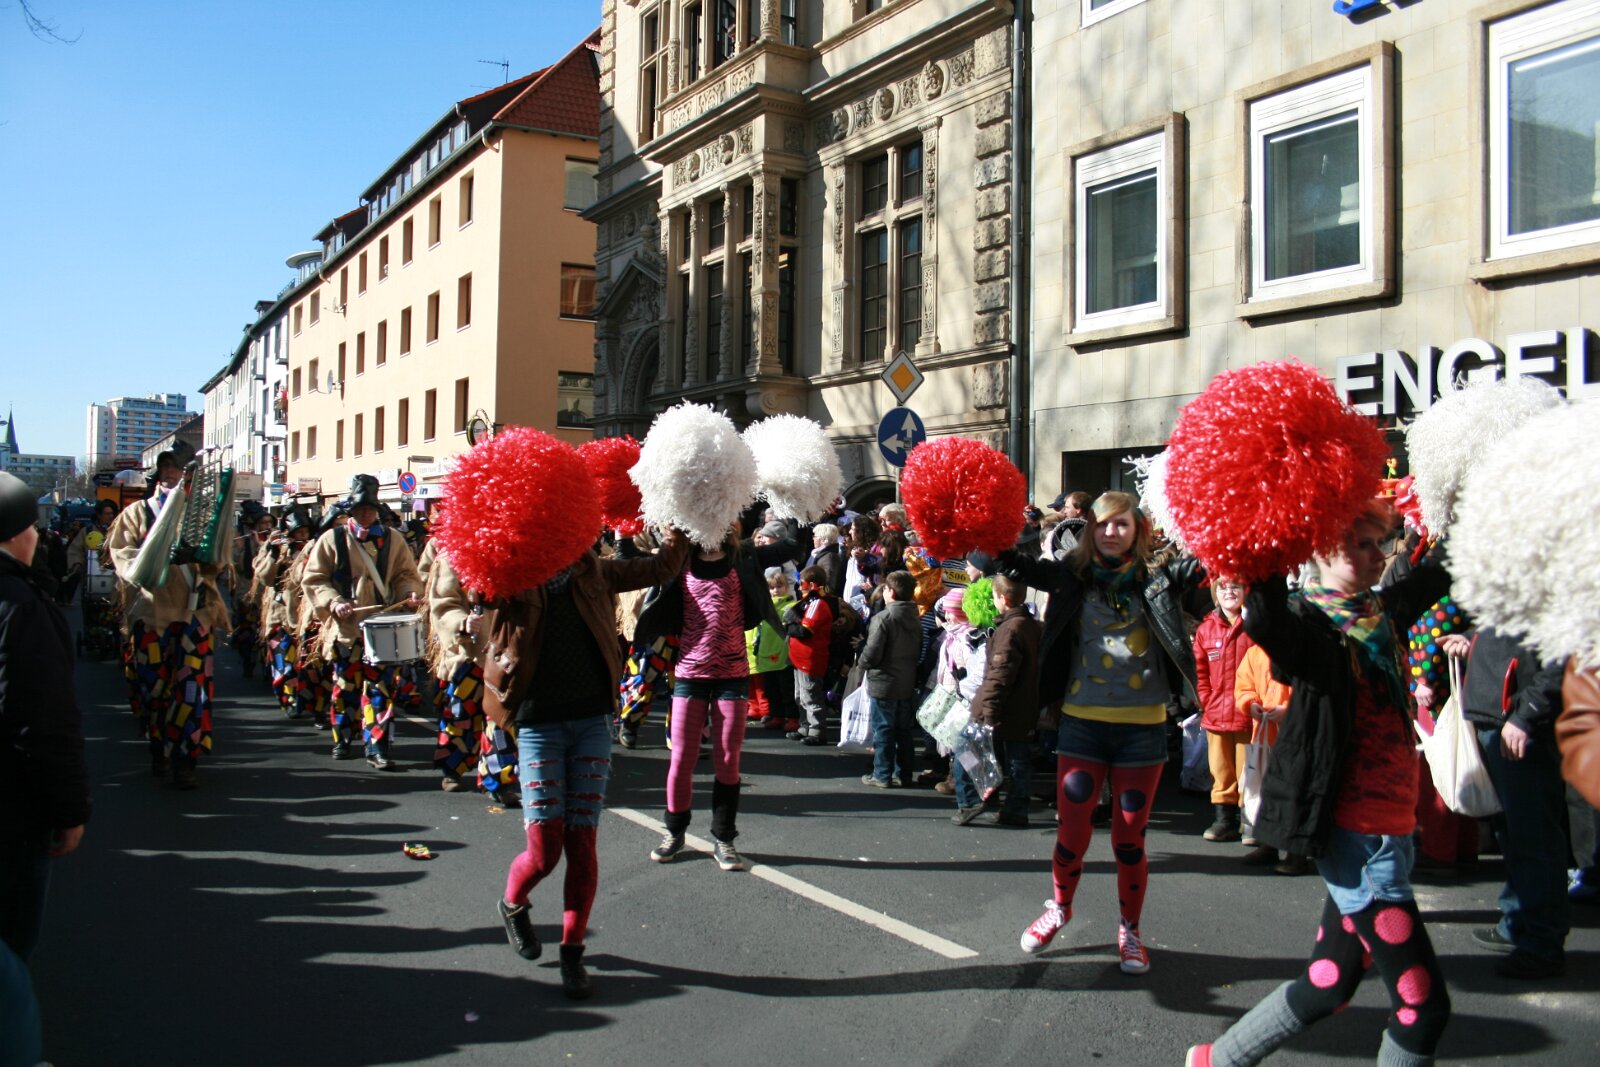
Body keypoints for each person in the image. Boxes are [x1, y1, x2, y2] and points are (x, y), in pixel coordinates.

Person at [1187, 500, 1451, 1067]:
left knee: (1329, 981)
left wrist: (1484, 502)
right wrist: (1267, 533)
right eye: (1361, 545)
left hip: (1392, 832)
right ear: (1322, 552)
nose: (1377, 556)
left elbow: (1442, 569)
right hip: (1361, 841)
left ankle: (1216, 1060)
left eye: (1380, 543)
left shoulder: (1382, 612)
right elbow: (1264, 617)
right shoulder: (1309, 628)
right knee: (1421, 1008)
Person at [1000, 491, 1205, 975]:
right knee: (1072, 830)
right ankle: (1059, 907)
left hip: (1142, 732)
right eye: (1103, 524)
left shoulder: (1160, 578)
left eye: (1122, 524)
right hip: (1083, 726)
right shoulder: (1069, 577)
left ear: (1138, 530)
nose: (1111, 532)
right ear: (1090, 530)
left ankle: (1130, 931)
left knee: (1129, 839)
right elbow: (1007, 562)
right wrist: (979, 527)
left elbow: (1216, 560)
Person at [488, 529, 689, 998]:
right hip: (538, 724)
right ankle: (513, 903)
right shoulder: (514, 577)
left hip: (592, 721)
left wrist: (679, 524)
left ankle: (572, 952)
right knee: (544, 851)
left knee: (582, 844)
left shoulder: (594, 571)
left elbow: (660, 567)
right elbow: (476, 589)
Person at [640, 525, 798, 870]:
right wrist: (626, 534)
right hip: (690, 673)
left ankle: (724, 838)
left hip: (733, 673)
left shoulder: (744, 555)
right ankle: (674, 832)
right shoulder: (679, 558)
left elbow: (789, 546)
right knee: (682, 757)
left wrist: (796, 507)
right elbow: (635, 563)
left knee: (728, 758)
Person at [0, 473, 90, 1067]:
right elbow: (40, 719)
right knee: (10, 952)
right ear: (17, 533)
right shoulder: (22, 606)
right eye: (32, 526)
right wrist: (69, 809)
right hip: (10, 810)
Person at [1444, 626, 1569, 979]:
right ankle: (1518, 922)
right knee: (1512, 834)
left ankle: (1542, 943)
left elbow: (1565, 656)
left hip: (1519, 722)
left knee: (1534, 837)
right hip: (1497, 717)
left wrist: (1527, 714)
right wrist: (1471, 637)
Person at [106, 452, 228, 790]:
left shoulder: (202, 515)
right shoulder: (137, 513)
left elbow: (219, 561)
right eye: (171, 468)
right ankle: (159, 746)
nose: (177, 475)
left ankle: (185, 759)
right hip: (153, 615)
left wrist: (204, 558)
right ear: (160, 473)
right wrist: (154, 558)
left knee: (192, 691)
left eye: (184, 471)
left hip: (194, 614)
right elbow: (123, 557)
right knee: (154, 691)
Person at [301, 475, 425, 770]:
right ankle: (343, 738)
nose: (365, 514)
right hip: (347, 629)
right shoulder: (332, 539)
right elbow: (315, 578)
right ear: (351, 511)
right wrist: (334, 601)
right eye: (360, 509)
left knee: (381, 690)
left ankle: (377, 747)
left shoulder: (393, 539)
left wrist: (410, 592)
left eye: (369, 509)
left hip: (382, 626)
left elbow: (406, 574)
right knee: (345, 687)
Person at [425, 541, 518, 803]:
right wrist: (462, 623)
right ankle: (452, 769)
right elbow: (444, 603)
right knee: (461, 714)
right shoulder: (452, 554)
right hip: (469, 652)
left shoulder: (516, 551)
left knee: (501, 717)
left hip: (505, 652)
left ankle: (499, 780)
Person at [968, 574, 1041, 826]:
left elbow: (1000, 674)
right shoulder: (1031, 625)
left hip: (1010, 705)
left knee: (1010, 759)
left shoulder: (1010, 630)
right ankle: (1015, 806)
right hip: (1026, 703)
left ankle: (1011, 807)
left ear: (1002, 598)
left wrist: (989, 710)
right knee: (1018, 758)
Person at [1233, 643, 1307, 874]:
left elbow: (1309, 693)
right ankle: (1268, 844)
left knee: (1294, 793)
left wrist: (1289, 710)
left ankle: (1296, 852)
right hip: (1265, 735)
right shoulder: (1255, 652)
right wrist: (1251, 704)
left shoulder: (1300, 649)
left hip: (1296, 736)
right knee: (1265, 791)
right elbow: (1243, 686)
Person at [1193, 578, 1253, 844]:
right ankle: (1224, 820)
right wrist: (1206, 700)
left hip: (1248, 715)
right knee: (1220, 771)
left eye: (1235, 586)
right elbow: (1199, 671)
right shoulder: (1206, 629)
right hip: (1216, 714)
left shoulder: (1256, 626)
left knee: (1248, 771)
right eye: (1223, 587)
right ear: (1215, 594)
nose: (1229, 591)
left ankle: (1249, 821)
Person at [858, 569, 922, 788]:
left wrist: (862, 663)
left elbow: (873, 651)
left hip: (884, 681)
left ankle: (882, 774)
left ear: (891, 592)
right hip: (906, 680)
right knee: (903, 731)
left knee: (883, 729)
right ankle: (903, 773)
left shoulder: (883, 618)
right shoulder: (915, 618)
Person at [252, 510, 312, 715]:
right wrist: (273, 553)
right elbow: (263, 577)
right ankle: (288, 700)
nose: (302, 536)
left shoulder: (314, 548)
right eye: (299, 533)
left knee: (305, 663)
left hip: (305, 614)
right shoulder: (275, 547)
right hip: (279, 614)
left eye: (305, 532)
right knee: (283, 660)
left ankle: (306, 701)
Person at [784, 565, 835, 747]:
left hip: (810, 658)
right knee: (800, 695)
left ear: (811, 584)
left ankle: (817, 729)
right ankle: (805, 726)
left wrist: (788, 626)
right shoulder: (807, 602)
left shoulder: (817, 603)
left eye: (802, 583)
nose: (799, 587)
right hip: (798, 658)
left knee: (811, 695)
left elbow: (805, 630)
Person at [747, 566, 796, 730]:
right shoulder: (764, 607)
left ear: (786, 587)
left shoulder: (792, 606)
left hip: (783, 653)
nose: (776, 591)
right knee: (771, 689)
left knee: (786, 688)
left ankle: (792, 717)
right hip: (767, 652)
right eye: (772, 588)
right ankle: (777, 715)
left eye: (779, 586)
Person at [804, 522, 845, 596]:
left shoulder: (830, 557)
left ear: (823, 540)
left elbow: (829, 584)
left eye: (815, 536)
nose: (813, 538)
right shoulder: (819, 554)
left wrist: (817, 595)